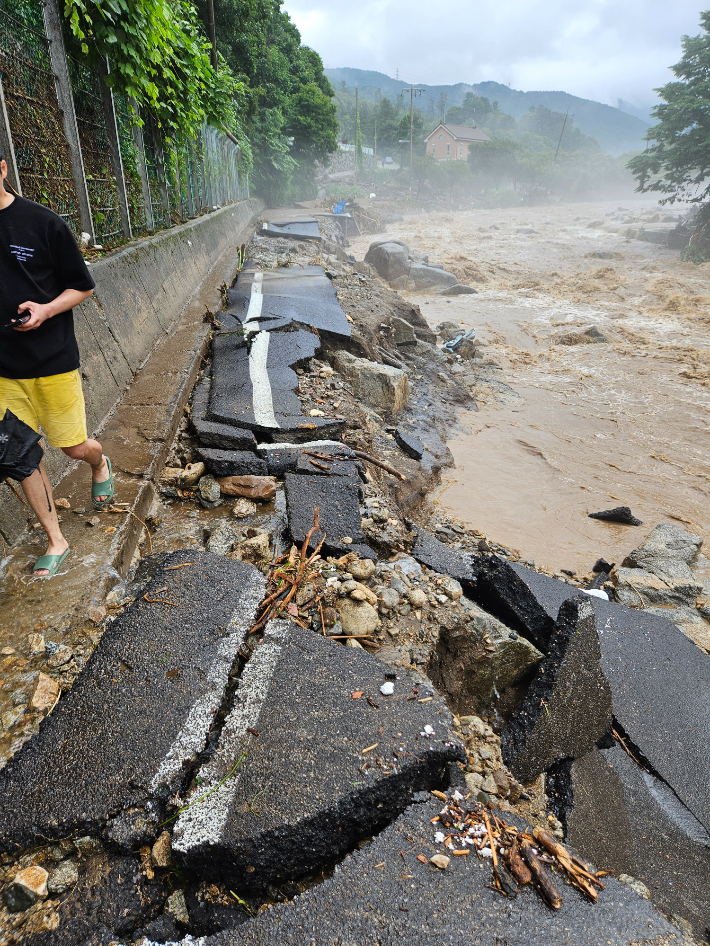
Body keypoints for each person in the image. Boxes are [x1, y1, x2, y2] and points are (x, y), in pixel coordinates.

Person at [0, 152, 114, 577]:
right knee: (20, 454)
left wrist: (46, 310)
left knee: (73, 447)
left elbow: (82, 286)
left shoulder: (43, 222)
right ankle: (56, 539)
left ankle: (99, 463)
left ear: (4, 168)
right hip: (3, 370)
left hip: (51, 360)